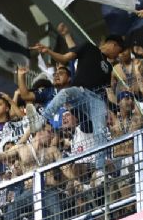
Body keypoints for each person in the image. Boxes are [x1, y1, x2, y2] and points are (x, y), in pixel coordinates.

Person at [28, 23, 123, 152]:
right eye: (119, 51)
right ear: (114, 45)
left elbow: (105, 91)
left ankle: (101, 170)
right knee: (65, 93)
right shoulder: (88, 47)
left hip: (96, 100)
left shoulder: (109, 67)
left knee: (100, 131)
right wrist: (49, 51)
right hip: (80, 92)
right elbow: (65, 58)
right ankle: (41, 120)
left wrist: (111, 110)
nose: (119, 55)